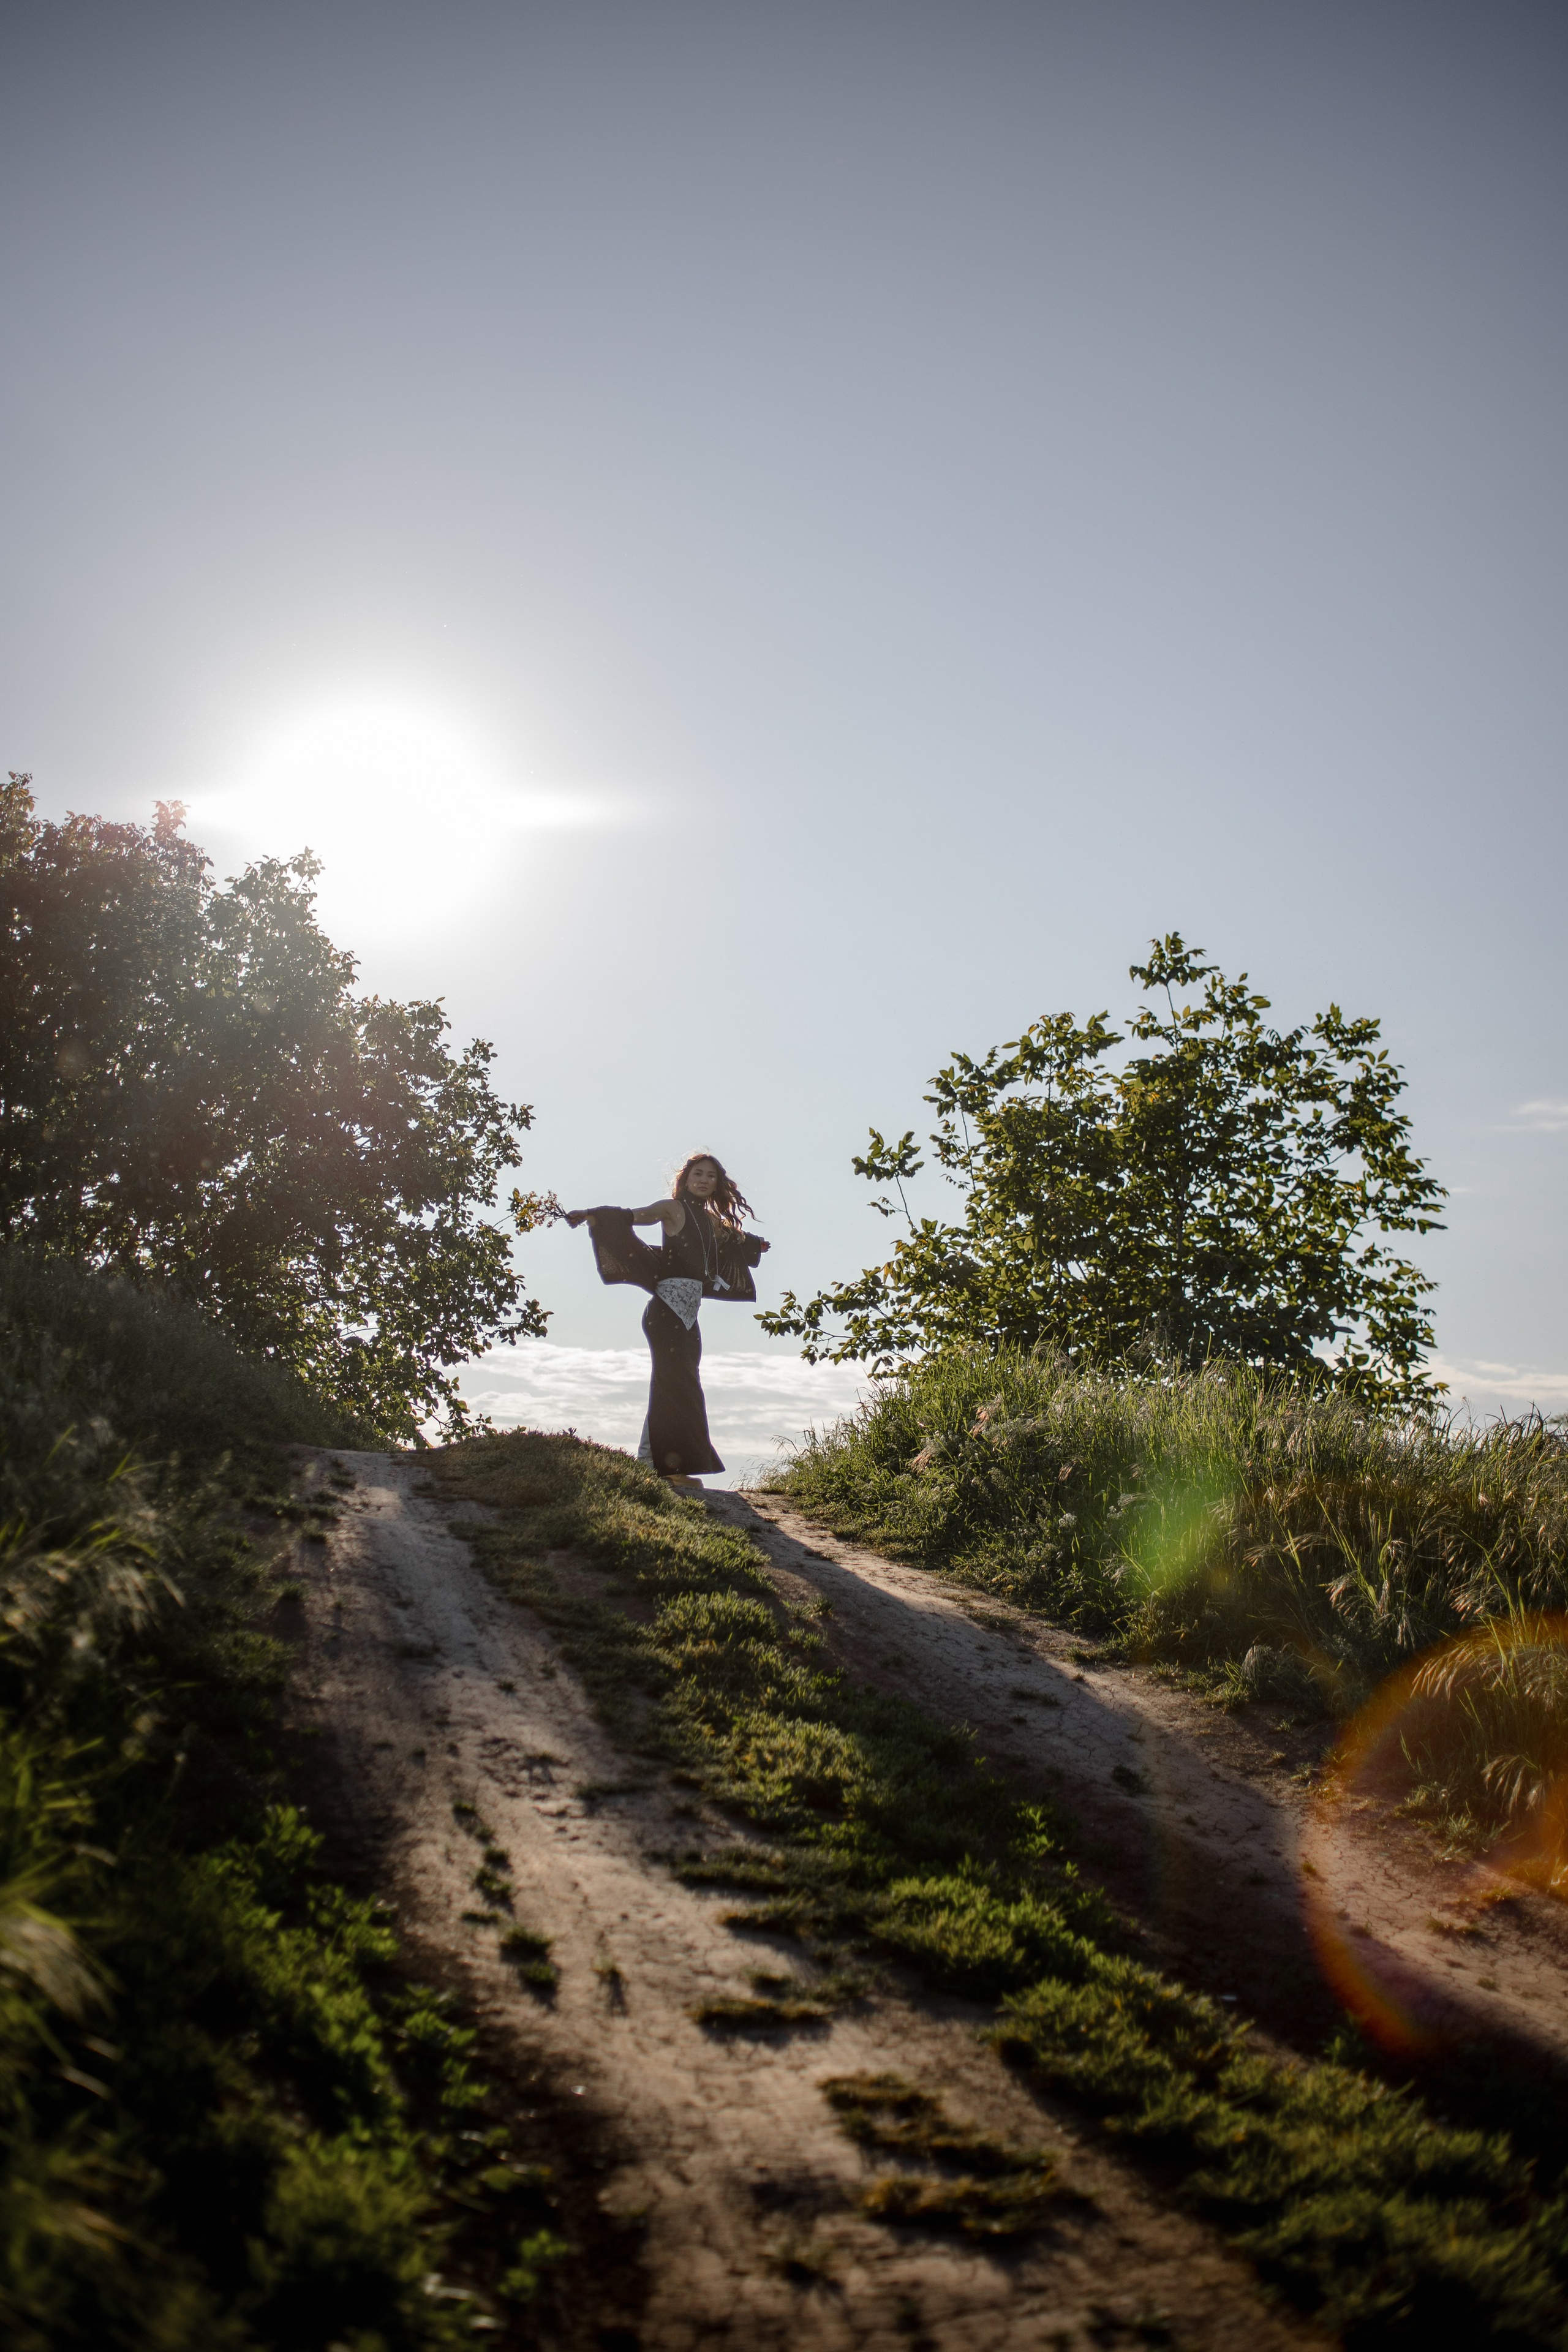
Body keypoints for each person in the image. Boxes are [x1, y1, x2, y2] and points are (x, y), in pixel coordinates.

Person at [564, 1153, 770, 1488]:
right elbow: (634, 1216)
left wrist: (755, 1244)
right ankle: (665, 1468)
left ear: (717, 1184)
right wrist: (591, 1214)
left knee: (679, 1385)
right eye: (698, 1174)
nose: (704, 1180)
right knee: (675, 1385)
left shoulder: (711, 1221)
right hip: (665, 1313)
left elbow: (733, 1239)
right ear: (686, 1178)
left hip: (688, 1318)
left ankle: (649, 1462)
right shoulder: (672, 1209)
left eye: (711, 1176)